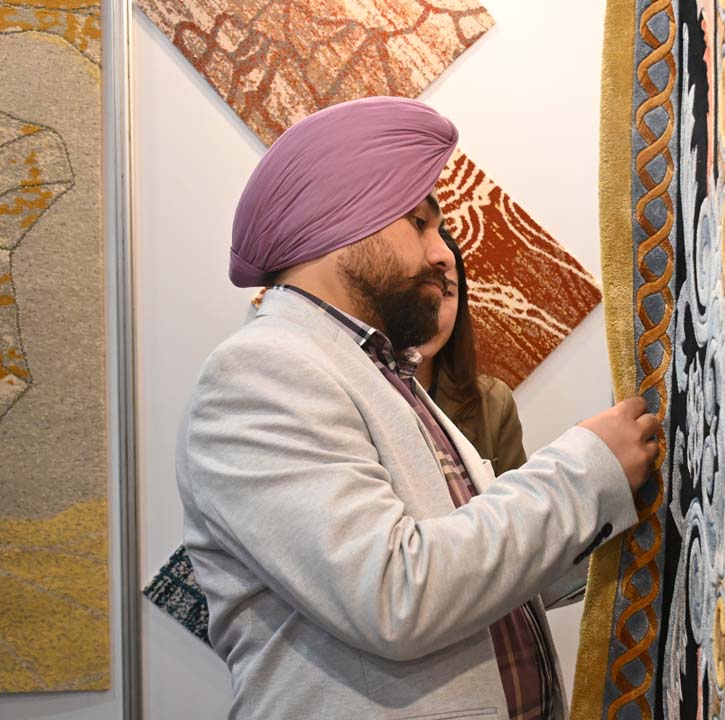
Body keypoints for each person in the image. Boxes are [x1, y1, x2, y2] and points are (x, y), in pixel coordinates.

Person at [175, 97, 659, 720]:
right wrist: (586, 471)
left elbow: (472, 580)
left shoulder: (374, 371)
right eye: (419, 223)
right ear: (341, 218)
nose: (443, 253)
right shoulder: (261, 371)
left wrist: (622, 506)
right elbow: (392, 595)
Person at [416, 227, 526, 476]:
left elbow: (520, 497)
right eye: (420, 289)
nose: (431, 309)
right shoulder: (348, 395)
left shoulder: (492, 402)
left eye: (446, 292)